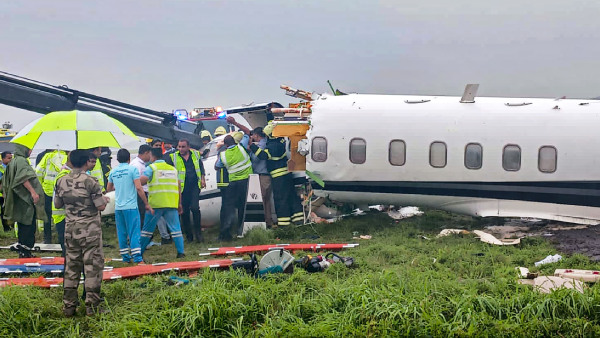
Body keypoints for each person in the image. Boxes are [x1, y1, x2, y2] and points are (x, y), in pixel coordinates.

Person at [54, 149, 108, 317]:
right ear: (86, 162)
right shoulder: (91, 181)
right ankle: (92, 307)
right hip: (90, 230)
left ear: (70, 161)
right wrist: (104, 199)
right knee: (92, 267)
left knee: (71, 267)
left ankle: (69, 307)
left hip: (70, 230)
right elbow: (100, 206)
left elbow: (57, 204)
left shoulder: (61, 181)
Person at [250, 122, 304, 226]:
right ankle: (298, 219)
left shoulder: (273, 145)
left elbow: (263, 155)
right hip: (287, 175)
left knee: (280, 200)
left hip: (278, 177)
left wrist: (252, 147)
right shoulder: (281, 141)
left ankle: (284, 225)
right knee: (291, 197)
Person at [106, 149, 152, 264]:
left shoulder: (113, 172)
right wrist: (146, 203)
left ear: (117, 159)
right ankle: (137, 258)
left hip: (119, 207)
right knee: (134, 232)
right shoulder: (132, 169)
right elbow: (138, 187)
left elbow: (109, 189)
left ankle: (125, 257)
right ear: (129, 159)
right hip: (131, 206)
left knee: (121, 232)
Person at [2, 144, 46, 257]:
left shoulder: (14, 161)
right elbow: (23, 177)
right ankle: (26, 251)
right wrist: (33, 192)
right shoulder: (21, 161)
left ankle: (23, 250)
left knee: (22, 224)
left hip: (18, 199)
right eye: (29, 149)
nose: (30, 151)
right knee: (28, 225)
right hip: (25, 200)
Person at [140, 148, 185, 258]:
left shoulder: (152, 168)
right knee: (176, 229)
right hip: (171, 203)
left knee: (147, 230)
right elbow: (178, 186)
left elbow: (141, 181)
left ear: (152, 156)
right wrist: (179, 203)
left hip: (156, 204)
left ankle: (138, 253)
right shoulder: (173, 169)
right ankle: (181, 252)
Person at [166, 139, 206, 242]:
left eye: (183, 147)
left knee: (195, 208)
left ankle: (198, 234)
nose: (181, 149)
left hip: (194, 186)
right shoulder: (173, 157)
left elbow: (201, 167)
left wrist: (202, 179)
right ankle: (189, 236)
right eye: (179, 147)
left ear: (188, 147)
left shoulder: (195, 154)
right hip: (181, 188)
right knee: (184, 212)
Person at [215, 134, 252, 241]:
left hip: (233, 183)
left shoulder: (223, 155)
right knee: (243, 206)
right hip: (246, 180)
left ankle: (225, 232)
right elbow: (246, 136)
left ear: (225, 145)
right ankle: (241, 230)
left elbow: (217, 166)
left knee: (229, 208)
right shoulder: (241, 146)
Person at [36, 149, 68, 243]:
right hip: (61, 191)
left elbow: (38, 172)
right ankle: (62, 238)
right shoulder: (67, 158)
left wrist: (40, 186)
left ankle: (47, 238)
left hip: (47, 190)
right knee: (62, 215)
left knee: (47, 215)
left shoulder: (47, 157)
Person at [250, 127, 275, 228]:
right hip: (263, 175)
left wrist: (251, 149)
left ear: (257, 135)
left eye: (253, 135)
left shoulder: (262, 144)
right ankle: (268, 221)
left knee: (263, 199)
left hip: (263, 176)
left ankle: (266, 221)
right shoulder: (265, 142)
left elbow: (256, 158)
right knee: (266, 200)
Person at [52, 153, 73, 257]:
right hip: (62, 215)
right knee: (66, 246)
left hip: (63, 215)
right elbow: (61, 200)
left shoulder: (66, 173)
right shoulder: (64, 176)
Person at [0, 151, 13, 232]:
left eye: (11, 158)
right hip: (2, 195)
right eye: (9, 158)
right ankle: (6, 228)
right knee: (4, 211)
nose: (11, 160)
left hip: (9, 193)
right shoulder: (1, 169)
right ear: (3, 158)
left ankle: (12, 226)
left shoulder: (11, 168)